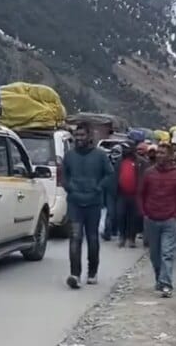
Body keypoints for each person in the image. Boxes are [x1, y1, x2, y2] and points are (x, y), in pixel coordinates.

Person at [63, 123, 114, 289]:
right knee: (75, 238)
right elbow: (63, 177)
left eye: (82, 135)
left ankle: (92, 272)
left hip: (93, 204)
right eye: (76, 135)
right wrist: (70, 188)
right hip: (75, 203)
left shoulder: (100, 156)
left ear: (89, 136)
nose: (79, 139)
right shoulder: (69, 156)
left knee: (92, 239)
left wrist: (98, 188)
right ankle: (75, 275)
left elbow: (110, 174)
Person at [138, 142, 176, 298]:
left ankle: (166, 284)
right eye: (158, 152)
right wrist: (144, 213)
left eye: (163, 153)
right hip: (151, 219)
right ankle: (160, 279)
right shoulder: (148, 173)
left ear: (170, 156)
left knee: (167, 253)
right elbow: (140, 194)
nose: (159, 155)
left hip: (169, 220)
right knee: (155, 254)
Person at [116, 142, 146, 248]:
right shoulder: (120, 161)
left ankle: (131, 238)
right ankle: (122, 237)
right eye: (124, 149)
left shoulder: (141, 162)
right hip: (122, 194)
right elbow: (116, 176)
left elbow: (143, 177)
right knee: (120, 215)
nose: (125, 151)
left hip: (135, 195)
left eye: (127, 149)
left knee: (134, 218)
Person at [101, 144, 123, 242]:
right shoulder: (121, 161)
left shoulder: (108, 160)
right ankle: (110, 232)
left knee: (111, 212)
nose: (114, 155)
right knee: (114, 212)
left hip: (115, 190)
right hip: (115, 190)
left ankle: (110, 231)